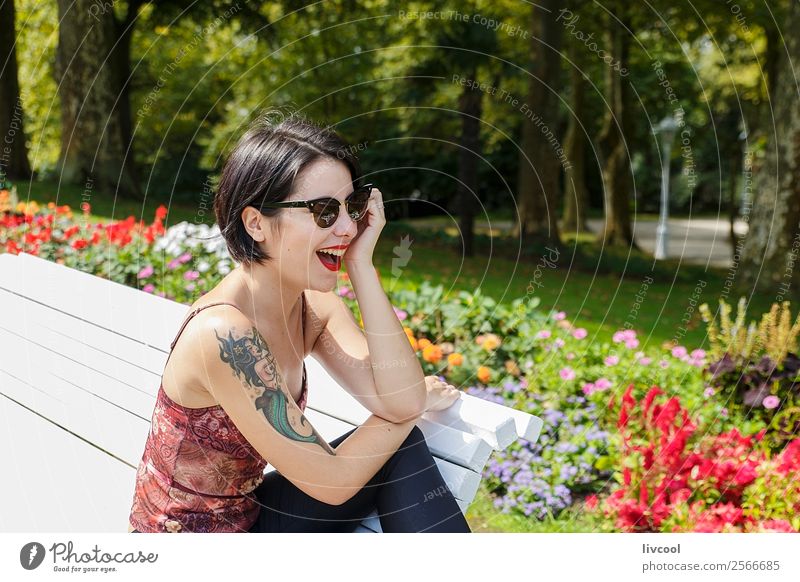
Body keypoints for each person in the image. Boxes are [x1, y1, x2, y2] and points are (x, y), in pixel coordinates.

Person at [127, 112, 470, 533]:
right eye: (324, 210)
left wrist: (362, 266)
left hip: (248, 520)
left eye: (353, 207)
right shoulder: (222, 335)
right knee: (398, 437)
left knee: (402, 447)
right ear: (256, 223)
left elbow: (400, 401)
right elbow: (334, 481)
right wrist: (412, 406)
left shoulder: (312, 308)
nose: (347, 227)